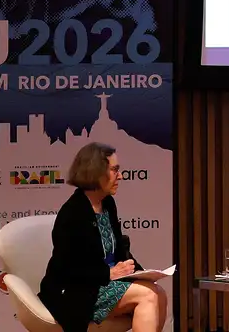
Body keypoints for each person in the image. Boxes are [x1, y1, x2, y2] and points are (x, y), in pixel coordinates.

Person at [39, 142, 168, 332]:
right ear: (96, 172)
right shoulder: (72, 213)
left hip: (105, 283)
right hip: (77, 291)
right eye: (115, 170)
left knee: (159, 293)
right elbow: (68, 269)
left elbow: (119, 251)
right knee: (147, 295)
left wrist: (143, 273)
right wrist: (107, 274)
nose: (120, 176)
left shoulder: (108, 204)